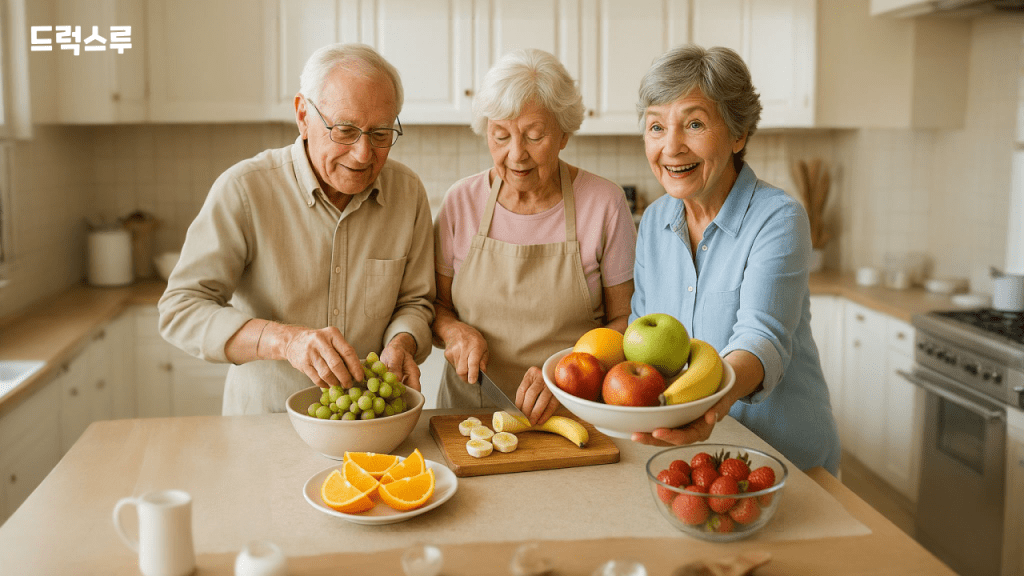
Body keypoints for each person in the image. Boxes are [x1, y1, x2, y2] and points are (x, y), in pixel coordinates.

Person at [158, 44, 435, 415]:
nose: (363, 154)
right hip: (262, 423)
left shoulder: (408, 192)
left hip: (370, 423)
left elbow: (415, 302)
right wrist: (284, 341)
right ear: (303, 115)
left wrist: (402, 342)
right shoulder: (244, 189)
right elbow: (180, 309)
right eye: (345, 130)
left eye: (381, 134)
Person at [630, 44, 841, 474]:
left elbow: (760, 339)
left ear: (738, 133)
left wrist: (708, 405)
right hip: (691, 461)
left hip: (782, 461)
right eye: (656, 126)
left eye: (694, 124)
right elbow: (641, 336)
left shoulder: (778, 218)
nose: (671, 147)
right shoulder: (652, 222)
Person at [432, 48, 637, 424]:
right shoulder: (460, 201)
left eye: (534, 136)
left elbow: (626, 319)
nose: (516, 154)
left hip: (572, 409)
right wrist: (455, 332)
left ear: (564, 134)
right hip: (468, 414)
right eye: (500, 135)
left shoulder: (604, 203)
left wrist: (567, 373)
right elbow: (436, 307)